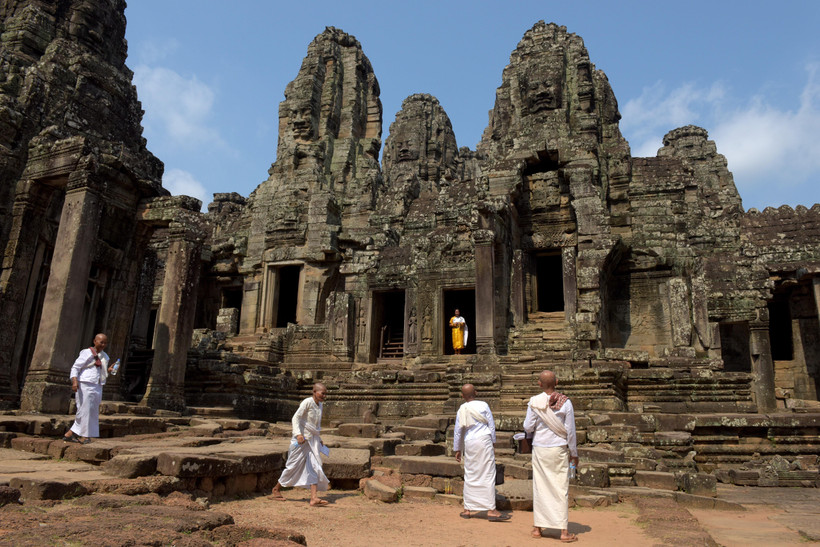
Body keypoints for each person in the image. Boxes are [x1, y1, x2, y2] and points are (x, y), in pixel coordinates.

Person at [524, 370, 579, 542]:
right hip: (558, 449)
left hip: (540, 448)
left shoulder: (534, 402)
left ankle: (537, 528)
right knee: (560, 487)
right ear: (556, 381)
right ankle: (563, 531)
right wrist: (574, 453)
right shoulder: (565, 403)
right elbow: (570, 431)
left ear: (539, 384)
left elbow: (527, 426)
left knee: (540, 487)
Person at [453, 384, 509, 521]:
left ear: (462, 396)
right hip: (484, 440)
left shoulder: (462, 408)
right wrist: (493, 442)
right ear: (476, 393)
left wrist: (457, 449)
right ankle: (491, 510)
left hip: (470, 442)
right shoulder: (483, 405)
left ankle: (467, 509)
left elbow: (458, 431)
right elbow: (491, 425)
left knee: (470, 473)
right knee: (488, 473)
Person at [271, 383, 330, 506]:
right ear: (314, 392)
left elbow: (315, 426)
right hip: (300, 441)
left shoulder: (320, 406)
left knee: (315, 466)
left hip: (311, 441)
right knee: (292, 466)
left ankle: (313, 497)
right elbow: (296, 418)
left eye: (325, 393)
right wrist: (298, 434)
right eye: (322, 393)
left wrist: (318, 438)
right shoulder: (307, 402)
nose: (324, 396)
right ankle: (276, 489)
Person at [63, 333, 113, 444]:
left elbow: (102, 372)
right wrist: (74, 382)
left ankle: (69, 434)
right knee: (85, 410)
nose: (103, 344)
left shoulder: (105, 356)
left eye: (105, 343)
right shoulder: (86, 353)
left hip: (98, 385)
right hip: (85, 383)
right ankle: (85, 436)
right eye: (101, 342)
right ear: (95, 341)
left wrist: (108, 370)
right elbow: (76, 367)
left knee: (91, 410)